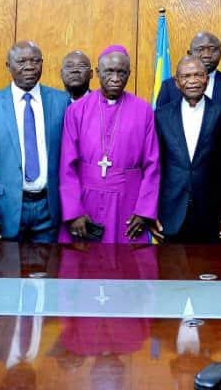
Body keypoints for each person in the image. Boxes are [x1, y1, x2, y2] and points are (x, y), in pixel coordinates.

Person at [58, 45, 161, 244]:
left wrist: (144, 211)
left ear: (129, 74)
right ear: (97, 73)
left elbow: (152, 165)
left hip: (128, 204)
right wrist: (73, 212)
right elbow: (66, 166)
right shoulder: (77, 110)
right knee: (82, 267)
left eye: (121, 72)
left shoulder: (143, 110)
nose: (115, 78)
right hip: (85, 201)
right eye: (109, 71)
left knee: (127, 267)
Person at [0, 41, 70, 242]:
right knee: (6, 271)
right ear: (8, 65)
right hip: (5, 209)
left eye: (35, 61)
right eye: (22, 61)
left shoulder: (61, 101)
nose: (29, 67)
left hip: (49, 208)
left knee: (47, 271)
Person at [152, 55, 221, 243]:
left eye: (198, 75)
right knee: (170, 271)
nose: (192, 81)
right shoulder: (161, 116)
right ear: (176, 82)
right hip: (170, 214)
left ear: (206, 79)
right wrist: (151, 211)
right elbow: (154, 168)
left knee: (213, 271)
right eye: (186, 76)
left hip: (213, 216)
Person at [155, 32, 221, 109]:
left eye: (213, 49)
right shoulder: (169, 86)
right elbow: (160, 120)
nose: (207, 55)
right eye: (200, 49)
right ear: (189, 53)